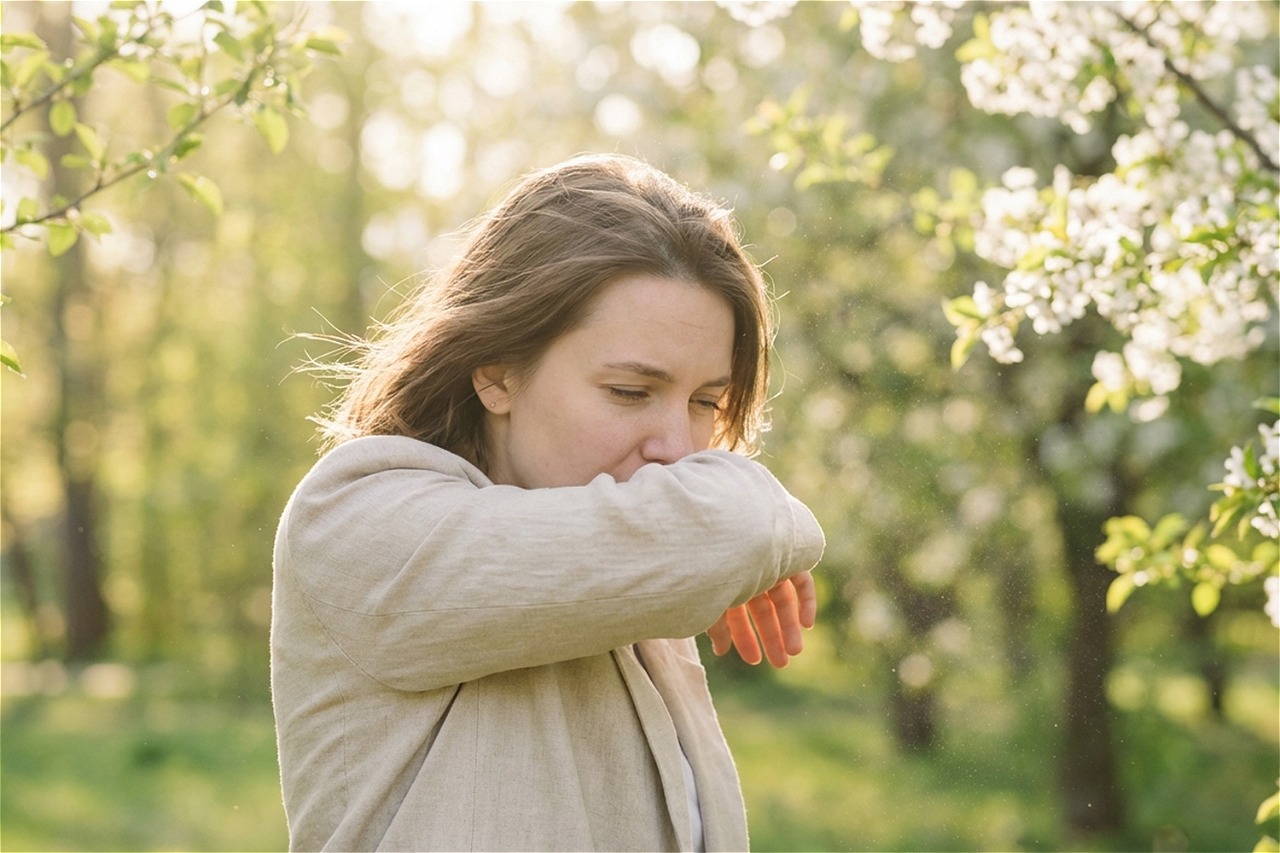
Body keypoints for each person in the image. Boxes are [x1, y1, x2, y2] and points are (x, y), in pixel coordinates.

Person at [270, 153, 825, 852]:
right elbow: (736, 522)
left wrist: (723, 546)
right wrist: (753, 531)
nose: (680, 450)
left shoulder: (634, 595)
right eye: (630, 391)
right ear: (498, 373)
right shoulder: (357, 518)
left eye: (706, 401)